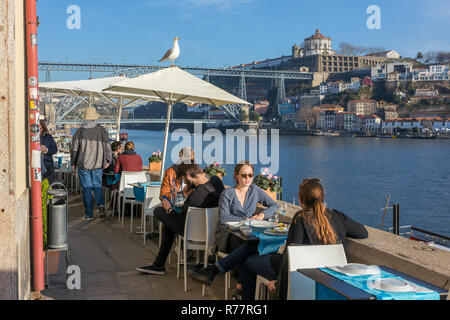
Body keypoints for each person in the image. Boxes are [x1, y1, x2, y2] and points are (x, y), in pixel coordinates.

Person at [188, 178, 368, 300]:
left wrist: (280, 282)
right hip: (328, 276)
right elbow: (363, 233)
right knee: (253, 246)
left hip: (299, 275)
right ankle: (214, 271)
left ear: (300, 199)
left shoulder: (300, 219)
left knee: (248, 261)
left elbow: (290, 257)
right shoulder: (336, 216)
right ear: (323, 198)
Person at [136, 163, 225, 275]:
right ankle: (158, 264)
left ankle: (159, 265)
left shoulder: (195, 197)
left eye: (183, 179)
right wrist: (192, 189)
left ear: (187, 175)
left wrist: (169, 209)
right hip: (214, 231)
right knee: (169, 224)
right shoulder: (216, 181)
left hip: (193, 233)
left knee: (158, 211)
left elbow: (182, 220)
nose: (183, 183)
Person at [213, 161, 280, 298]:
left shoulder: (254, 190)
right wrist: (247, 221)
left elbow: (274, 205)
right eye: (244, 175)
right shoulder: (228, 193)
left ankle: (242, 289)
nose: (247, 178)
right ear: (236, 176)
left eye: (250, 175)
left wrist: (262, 215)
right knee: (248, 247)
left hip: (249, 235)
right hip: (230, 236)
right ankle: (242, 287)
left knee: (253, 247)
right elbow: (224, 218)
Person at [70, 106, 112, 221]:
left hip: (83, 164)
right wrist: (109, 160)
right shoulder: (102, 130)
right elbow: (107, 146)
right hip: (98, 163)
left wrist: (73, 162)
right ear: (95, 118)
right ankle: (101, 205)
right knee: (97, 185)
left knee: (87, 188)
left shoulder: (79, 131)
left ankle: (89, 214)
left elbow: (74, 149)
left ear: (86, 118)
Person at [39, 119, 58, 184]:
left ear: (43, 128)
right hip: (36, 167)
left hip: (48, 167)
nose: (39, 131)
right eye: (37, 129)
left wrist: (46, 150)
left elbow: (55, 150)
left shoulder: (48, 137)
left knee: (48, 188)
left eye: (40, 128)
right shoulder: (31, 138)